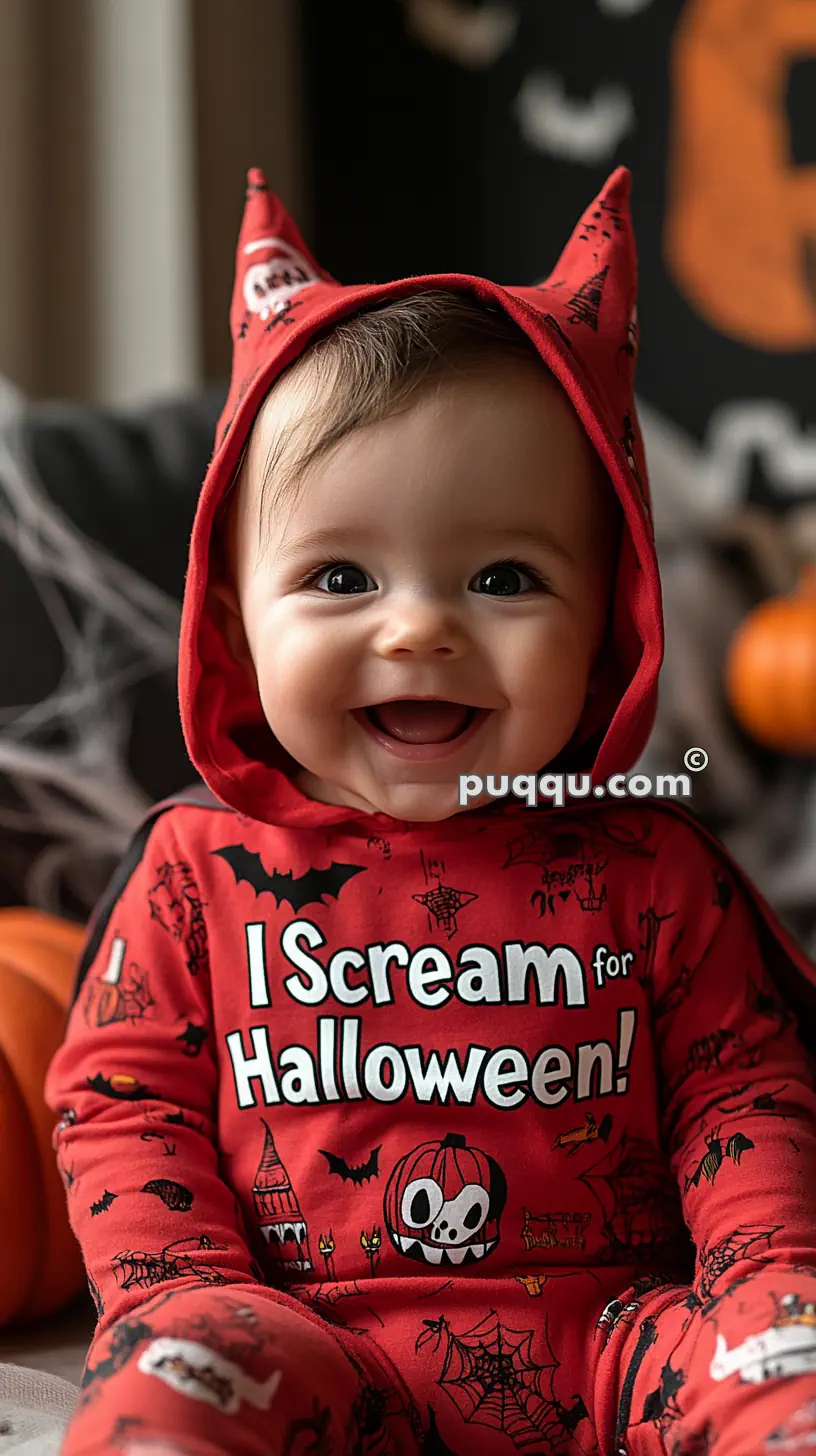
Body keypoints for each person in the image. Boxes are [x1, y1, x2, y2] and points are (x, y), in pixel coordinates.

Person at [46, 168, 816, 1456]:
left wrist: (759, 1284)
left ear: (611, 615)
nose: (419, 627)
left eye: (505, 576)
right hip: (298, 1336)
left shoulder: (657, 866)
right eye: (340, 574)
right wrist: (184, 1295)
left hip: (630, 1330)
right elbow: (126, 1096)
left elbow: (744, 1090)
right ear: (233, 617)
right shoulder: (192, 876)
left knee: (789, 1354)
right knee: (176, 1385)